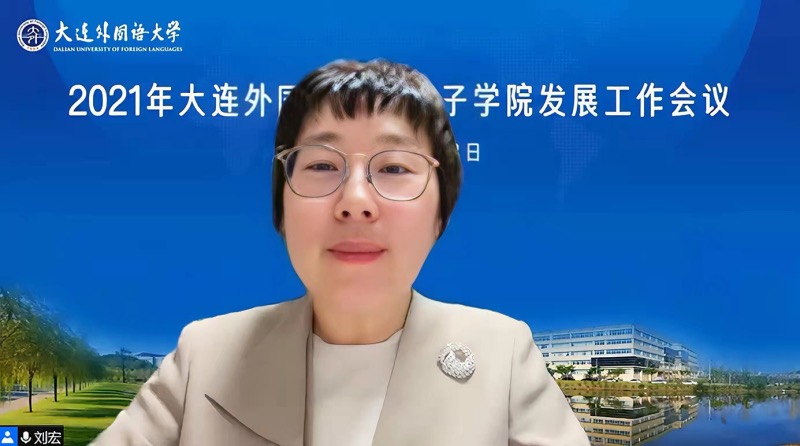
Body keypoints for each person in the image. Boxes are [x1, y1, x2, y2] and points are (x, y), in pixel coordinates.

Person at [91, 59, 590, 446]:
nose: (355, 201)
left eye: (394, 168)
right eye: (322, 165)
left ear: (441, 213)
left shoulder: (503, 354)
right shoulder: (205, 353)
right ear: (281, 209)